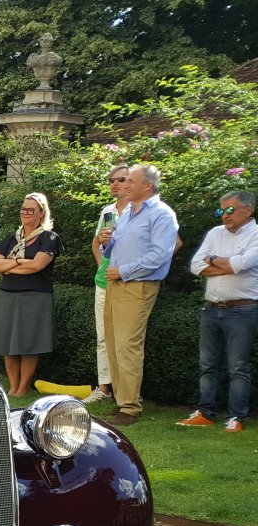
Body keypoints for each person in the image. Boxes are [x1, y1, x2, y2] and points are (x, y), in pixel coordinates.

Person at [100, 164, 179, 426]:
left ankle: (130, 408)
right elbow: (116, 248)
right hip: (115, 284)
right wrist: (108, 244)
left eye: (130, 181)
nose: (125, 185)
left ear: (147, 186)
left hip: (137, 285)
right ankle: (122, 401)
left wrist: (123, 271)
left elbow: (159, 255)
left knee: (127, 345)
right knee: (113, 344)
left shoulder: (162, 214)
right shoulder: (127, 213)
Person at [180, 190, 258, 432]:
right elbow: (196, 266)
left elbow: (242, 264)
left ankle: (236, 417)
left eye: (230, 210)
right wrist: (227, 264)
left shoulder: (256, 234)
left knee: (238, 367)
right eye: (221, 210)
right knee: (207, 364)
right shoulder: (215, 233)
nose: (225, 215)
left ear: (248, 209)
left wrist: (212, 260)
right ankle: (205, 412)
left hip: (242, 310)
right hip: (212, 309)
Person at [0, 193, 63, 397]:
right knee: (8, 344)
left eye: (30, 210)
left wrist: (9, 266)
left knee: (30, 344)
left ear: (41, 213)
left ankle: (22, 388)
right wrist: (20, 262)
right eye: (23, 209)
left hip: (35, 297)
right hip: (7, 295)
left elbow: (37, 265)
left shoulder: (49, 238)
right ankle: (13, 386)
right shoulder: (12, 238)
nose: (25, 213)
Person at [87, 165, 131, 405]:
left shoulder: (139, 211)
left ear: (132, 182)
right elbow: (97, 242)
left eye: (121, 180)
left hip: (129, 281)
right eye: (111, 180)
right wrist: (100, 265)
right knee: (103, 336)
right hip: (104, 281)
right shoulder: (107, 211)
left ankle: (126, 391)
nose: (114, 184)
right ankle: (104, 388)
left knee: (125, 340)